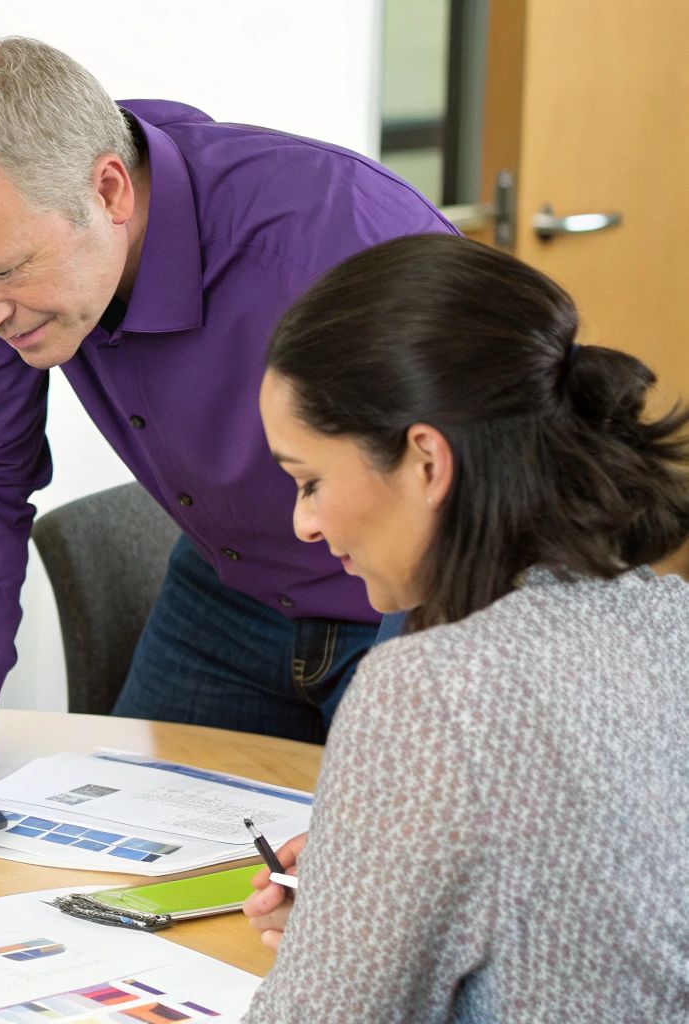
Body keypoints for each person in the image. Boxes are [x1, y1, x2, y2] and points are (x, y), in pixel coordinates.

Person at [0, 36, 453, 794]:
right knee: (107, 865)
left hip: (414, 600)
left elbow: (466, 485)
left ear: (110, 192)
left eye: (3, 273)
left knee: (386, 874)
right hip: (227, 594)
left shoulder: (342, 233)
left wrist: (418, 694)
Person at [240, 233, 689, 1019]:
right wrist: (357, 917)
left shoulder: (430, 692)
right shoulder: (665, 616)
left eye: (310, 481)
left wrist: (332, 950)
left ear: (425, 462)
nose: (303, 524)